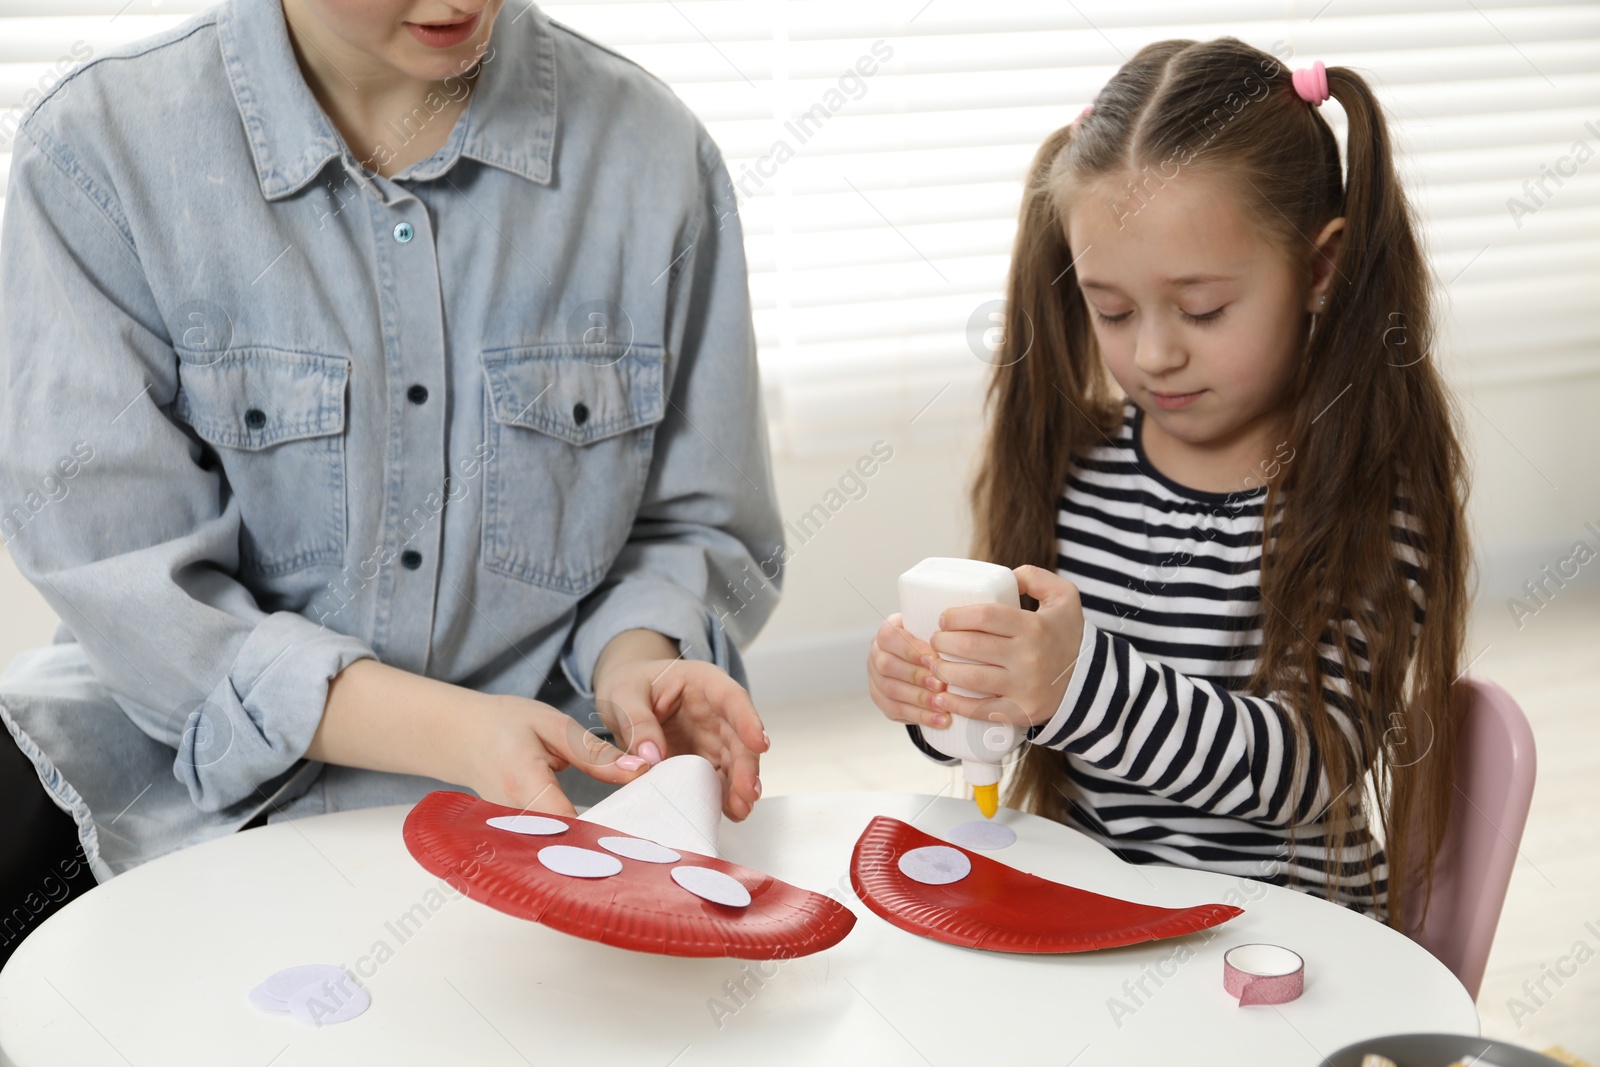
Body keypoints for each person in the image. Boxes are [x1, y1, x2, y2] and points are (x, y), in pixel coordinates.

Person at [0, 0, 781, 966]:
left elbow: (689, 525)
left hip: (547, 821)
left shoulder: (655, 156)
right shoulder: (101, 151)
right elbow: (126, 579)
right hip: (181, 806)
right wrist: (453, 730)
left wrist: (636, 665)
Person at [867, 39, 1469, 927]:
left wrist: (1072, 684)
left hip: (1290, 932)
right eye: (1111, 309)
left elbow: (1310, 764)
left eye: (1201, 309)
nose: (1152, 353)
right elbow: (1026, 713)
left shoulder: (1365, 499)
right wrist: (953, 690)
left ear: (1319, 269)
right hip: (1097, 904)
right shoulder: (1079, 466)